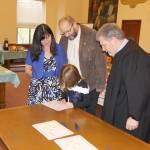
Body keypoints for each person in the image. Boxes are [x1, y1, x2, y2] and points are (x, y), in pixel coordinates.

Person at [96, 23, 150, 142]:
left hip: (128, 116)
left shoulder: (133, 55)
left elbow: (139, 88)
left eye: (104, 45)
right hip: (121, 110)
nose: (103, 49)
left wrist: (134, 116)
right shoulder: (123, 53)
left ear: (113, 40)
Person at [58, 16, 106, 115]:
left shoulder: (92, 35)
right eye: (64, 33)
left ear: (74, 23)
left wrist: (100, 84)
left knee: (89, 114)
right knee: (72, 112)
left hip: (90, 83)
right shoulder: (63, 39)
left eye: (68, 31)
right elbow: (62, 61)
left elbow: (100, 62)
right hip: (71, 83)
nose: (66, 35)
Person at [25, 24, 67, 105]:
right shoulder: (32, 50)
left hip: (55, 88)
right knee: (36, 114)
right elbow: (27, 69)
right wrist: (38, 76)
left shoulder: (59, 49)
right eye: (42, 39)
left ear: (51, 35)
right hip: (37, 88)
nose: (46, 41)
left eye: (48, 37)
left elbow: (64, 69)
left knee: (54, 113)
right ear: (37, 40)